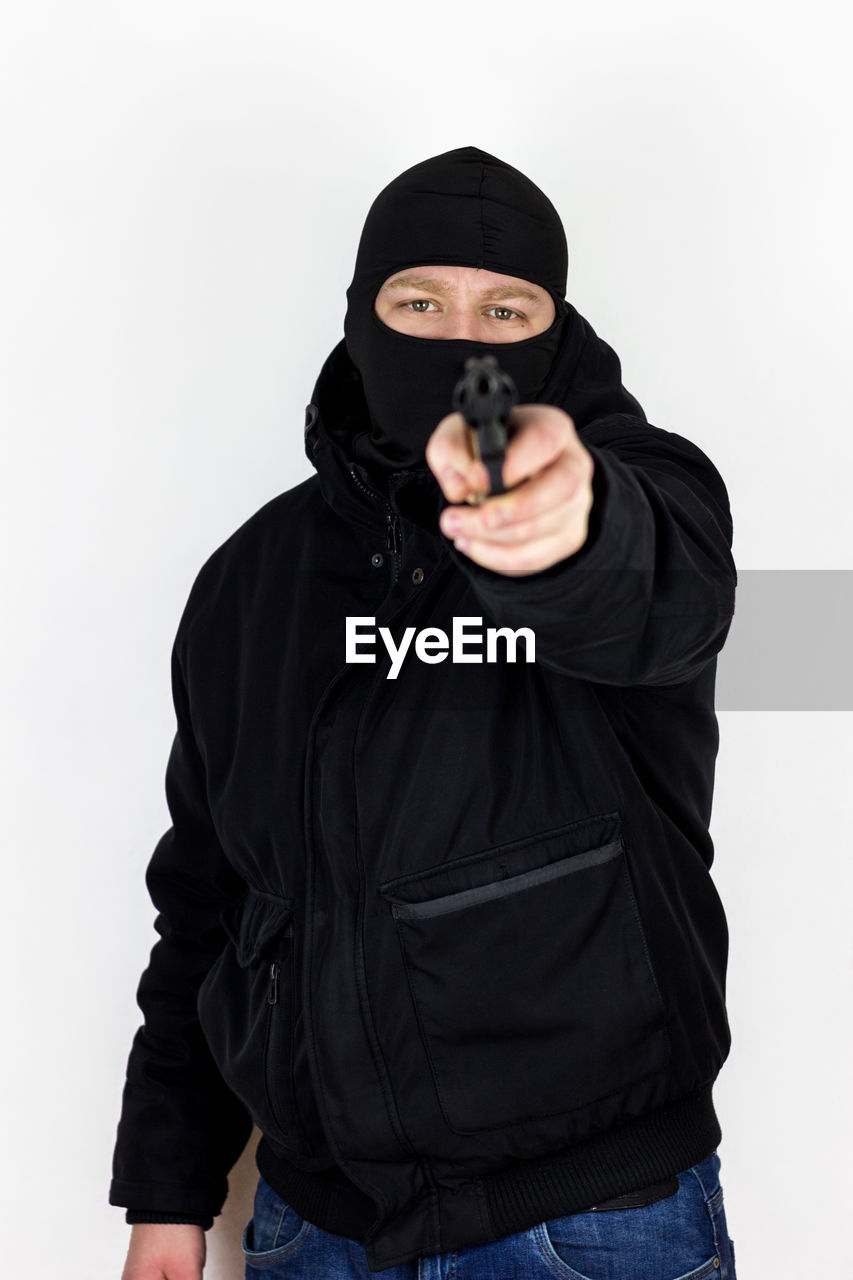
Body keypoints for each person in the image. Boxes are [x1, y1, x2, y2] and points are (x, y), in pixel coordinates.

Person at [111, 146, 739, 1279]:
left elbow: (655, 591)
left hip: (586, 1223)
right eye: (420, 301)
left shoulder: (645, 490)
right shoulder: (250, 582)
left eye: (506, 308)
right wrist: (167, 1186)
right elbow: (207, 895)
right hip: (310, 1228)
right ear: (361, 316)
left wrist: (568, 531)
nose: (462, 337)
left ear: (554, 332)